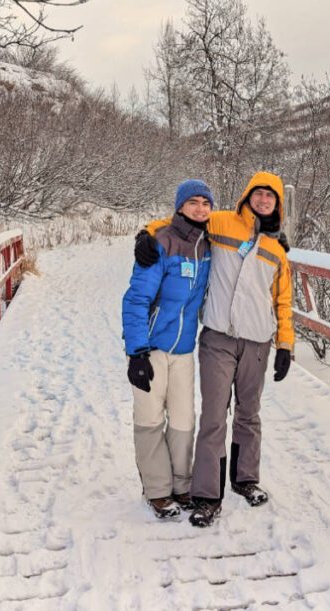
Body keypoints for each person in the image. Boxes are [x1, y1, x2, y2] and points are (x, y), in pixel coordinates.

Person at [135, 171, 294, 527]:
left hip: (258, 341)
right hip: (218, 337)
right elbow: (183, 220)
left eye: (271, 196)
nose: (264, 200)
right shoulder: (221, 223)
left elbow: (283, 300)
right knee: (212, 417)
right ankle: (207, 495)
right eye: (259, 193)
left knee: (249, 414)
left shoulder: (277, 249)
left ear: (278, 203)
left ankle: (245, 479)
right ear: (247, 196)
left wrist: (285, 343)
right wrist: (146, 233)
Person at [121, 179, 214, 519]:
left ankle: (182, 484)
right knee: (149, 419)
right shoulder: (160, 243)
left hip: (184, 351)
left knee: (184, 420)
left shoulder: (208, 245)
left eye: (206, 202)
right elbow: (135, 299)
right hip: (152, 347)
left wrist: (274, 234)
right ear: (179, 206)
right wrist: (136, 352)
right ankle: (158, 491)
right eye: (193, 202)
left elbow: (246, 223)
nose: (200, 208)